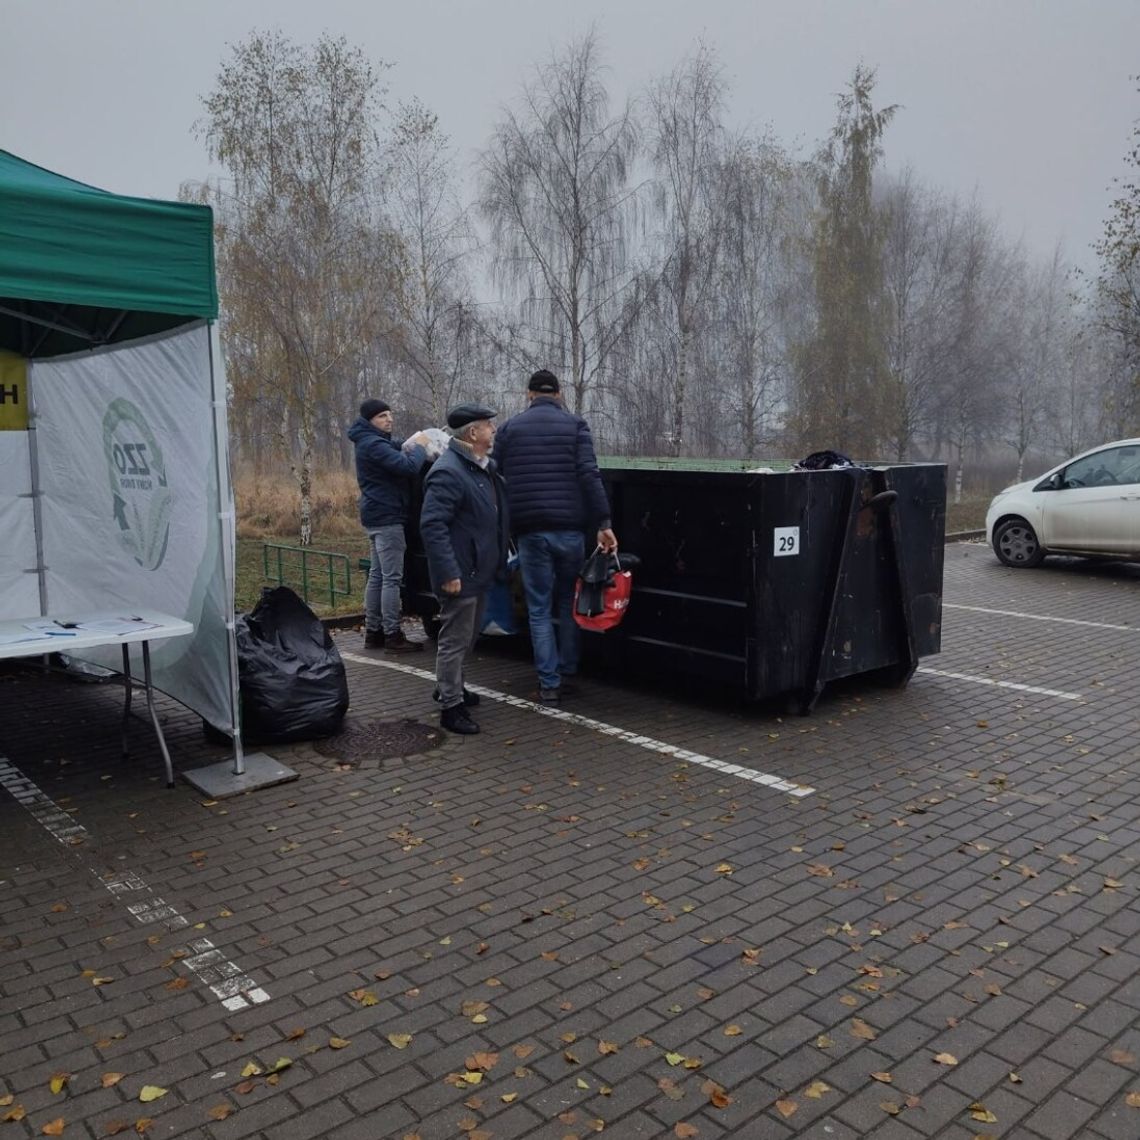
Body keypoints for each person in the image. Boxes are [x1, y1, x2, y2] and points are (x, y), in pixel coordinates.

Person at [493, 369, 617, 705]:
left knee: (538, 608)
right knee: (568, 603)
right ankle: (569, 672)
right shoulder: (576, 426)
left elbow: (493, 473)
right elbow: (589, 474)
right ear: (559, 394)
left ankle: (548, 684)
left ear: (529, 394)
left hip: (530, 530)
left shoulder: (510, 429)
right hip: (570, 530)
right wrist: (603, 521)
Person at [419, 402, 509, 735]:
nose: (494, 430)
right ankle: (450, 707)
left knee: (468, 638)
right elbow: (433, 526)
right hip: (460, 573)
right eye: (488, 425)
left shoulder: (481, 467)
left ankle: (452, 686)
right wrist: (448, 572)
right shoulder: (449, 471)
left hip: (478, 570)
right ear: (473, 433)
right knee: (455, 641)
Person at [347, 398, 430, 654]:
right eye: (382, 416)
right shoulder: (374, 444)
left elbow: (397, 447)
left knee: (377, 575)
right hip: (388, 517)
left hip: (375, 516)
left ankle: (374, 632)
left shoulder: (370, 441)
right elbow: (409, 466)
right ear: (370, 420)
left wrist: (411, 442)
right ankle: (393, 635)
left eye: (390, 414)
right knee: (392, 579)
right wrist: (421, 446)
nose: (389, 419)